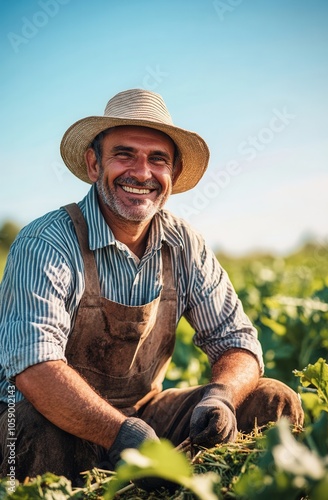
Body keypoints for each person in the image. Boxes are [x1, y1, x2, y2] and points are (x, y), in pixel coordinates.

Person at [0, 89, 303, 485]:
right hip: (51, 418)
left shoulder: (184, 245)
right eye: (124, 154)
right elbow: (35, 371)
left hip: (142, 413)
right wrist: (120, 434)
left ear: (172, 174)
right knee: (32, 425)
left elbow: (238, 341)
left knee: (272, 399)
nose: (142, 173)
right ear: (94, 164)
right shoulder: (47, 242)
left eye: (157, 159)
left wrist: (222, 396)